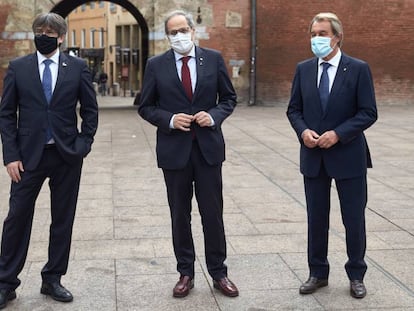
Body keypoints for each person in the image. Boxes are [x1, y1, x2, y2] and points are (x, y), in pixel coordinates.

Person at [137, 10, 238, 298]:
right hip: (174, 152)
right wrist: (169, 119)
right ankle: (186, 272)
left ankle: (219, 272)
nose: (179, 36)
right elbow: (146, 106)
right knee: (180, 215)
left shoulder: (214, 59)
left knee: (212, 214)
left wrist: (214, 116)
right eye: (173, 32)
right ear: (167, 36)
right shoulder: (156, 65)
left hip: (207, 150)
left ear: (193, 31)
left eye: (183, 30)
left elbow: (229, 98)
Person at [0, 12, 98, 308]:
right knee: (17, 217)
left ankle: (52, 278)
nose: (44, 35)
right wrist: (11, 156)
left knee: (62, 218)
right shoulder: (18, 67)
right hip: (27, 158)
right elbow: (6, 113)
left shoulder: (78, 67)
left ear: (61, 37)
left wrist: (83, 144)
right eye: (40, 30)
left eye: (50, 32)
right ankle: (6, 282)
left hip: (66, 155)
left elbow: (90, 110)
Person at [286, 12, 377, 299]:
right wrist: (303, 132)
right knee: (316, 217)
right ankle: (317, 273)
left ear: (337, 36)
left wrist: (338, 133)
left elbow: (368, 112)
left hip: (348, 155)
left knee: (353, 219)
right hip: (313, 157)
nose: (316, 39)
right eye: (313, 34)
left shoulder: (358, 69)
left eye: (322, 34)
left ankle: (356, 275)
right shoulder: (303, 69)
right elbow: (294, 109)